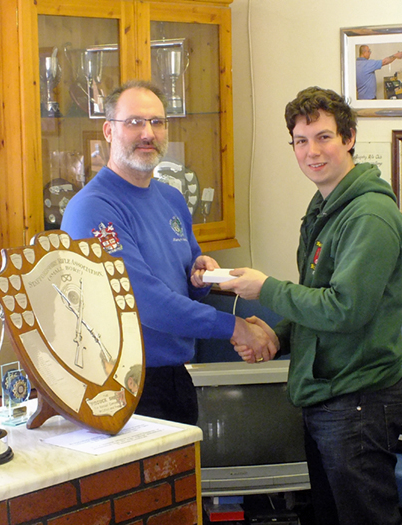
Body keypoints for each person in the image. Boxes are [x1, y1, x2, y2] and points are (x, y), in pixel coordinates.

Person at [220, 86, 402, 525]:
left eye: (324, 137)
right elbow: (317, 302)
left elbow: (344, 309)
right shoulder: (325, 206)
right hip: (326, 399)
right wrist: (275, 336)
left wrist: (264, 288)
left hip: (357, 402)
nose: (312, 152)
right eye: (301, 141)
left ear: (349, 138)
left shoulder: (368, 216)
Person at [61, 80, 277, 425]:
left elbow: (186, 279)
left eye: (157, 122)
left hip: (175, 377)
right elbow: (142, 301)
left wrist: (201, 274)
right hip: (120, 389)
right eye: (134, 122)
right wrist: (235, 327)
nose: (148, 133)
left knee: (185, 478)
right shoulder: (92, 209)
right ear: (108, 131)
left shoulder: (172, 198)